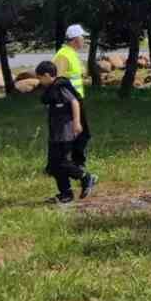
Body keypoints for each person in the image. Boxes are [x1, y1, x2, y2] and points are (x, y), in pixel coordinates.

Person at [36, 61, 97, 204]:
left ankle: (86, 177)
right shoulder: (51, 89)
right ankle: (65, 194)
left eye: (40, 78)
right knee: (53, 166)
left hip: (66, 132)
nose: (39, 81)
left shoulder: (60, 86)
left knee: (62, 162)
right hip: (55, 133)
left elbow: (74, 102)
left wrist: (77, 122)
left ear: (46, 75)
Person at [53, 25, 93, 172]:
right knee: (79, 133)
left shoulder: (72, 53)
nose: (84, 40)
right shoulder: (63, 55)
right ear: (76, 39)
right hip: (69, 101)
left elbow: (73, 76)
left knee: (81, 133)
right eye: (83, 37)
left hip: (76, 99)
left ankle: (73, 163)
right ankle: (73, 163)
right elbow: (57, 80)